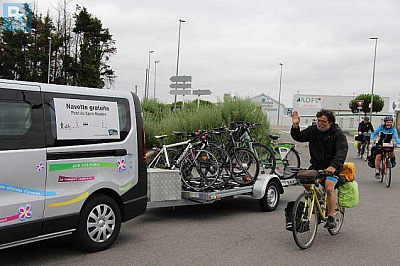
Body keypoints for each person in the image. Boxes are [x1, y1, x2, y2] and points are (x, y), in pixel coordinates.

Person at [291, 109, 348, 229]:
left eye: (323, 121)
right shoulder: (313, 130)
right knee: (306, 182)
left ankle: (331, 217)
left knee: (328, 186)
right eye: (319, 121)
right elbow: (299, 137)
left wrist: (333, 166)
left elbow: (342, 151)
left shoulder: (338, 134)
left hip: (333, 166)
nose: (320, 124)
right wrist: (295, 125)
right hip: (316, 165)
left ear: (330, 122)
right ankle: (318, 201)